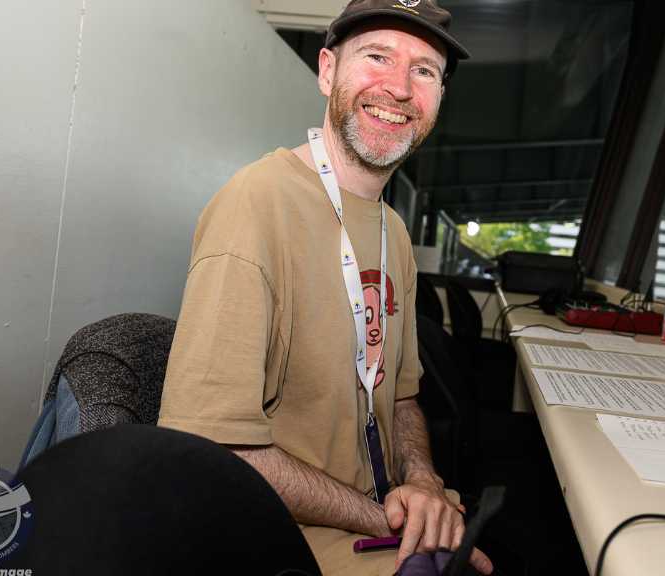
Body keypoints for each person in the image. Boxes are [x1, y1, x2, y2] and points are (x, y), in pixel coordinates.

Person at [157, 1, 493, 574]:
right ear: (328, 71)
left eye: (424, 71)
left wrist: (423, 481)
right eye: (377, 57)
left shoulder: (393, 232)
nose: (399, 88)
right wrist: (389, 518)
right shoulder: (256, 205)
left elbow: (400, 399)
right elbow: (213, 448)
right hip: (288, 538)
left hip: (382, 512)